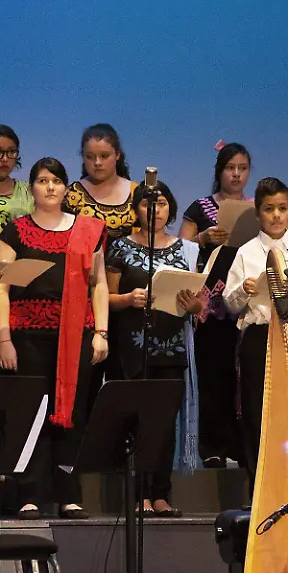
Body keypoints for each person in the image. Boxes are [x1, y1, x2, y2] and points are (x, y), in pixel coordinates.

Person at [0, 157, 109, 519]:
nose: (50, 187)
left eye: (57, 181)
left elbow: (99, 284)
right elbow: (0, 288)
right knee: (30, 414)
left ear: (65, 188)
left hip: (77, 335)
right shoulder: (15, 231)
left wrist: (101, 332)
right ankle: (28, 494)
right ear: (31, 188)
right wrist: (4, 339)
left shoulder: (88, 230)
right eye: (43, 180)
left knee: (72, 413)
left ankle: (69, 495)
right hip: (27, 337)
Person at [106, 181, 203, 516]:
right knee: (135, 421)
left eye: (161, 203)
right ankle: (138, 495)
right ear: (136, 210)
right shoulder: (120, 247)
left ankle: (161, 494)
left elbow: (199, 304)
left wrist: (192, 305)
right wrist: (127, 299)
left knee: (164, 424)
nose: (155, 210)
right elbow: (105, 298)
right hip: (132, 347)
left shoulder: (185, 249)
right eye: (148, 204)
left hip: (172, 346)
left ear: (170, 208)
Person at [179, 142, 252, 467]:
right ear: (219, 171)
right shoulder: (201, 207)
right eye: (230, 168)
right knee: (211, 370)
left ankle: (239, 442)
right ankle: (211, 445)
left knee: (240, 373)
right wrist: (204, 239)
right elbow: (179, 249)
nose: (236, 174)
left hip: (245, 298)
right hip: (208, 303)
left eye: (242, 168)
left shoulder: (255, 208)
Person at [222, 177, 288, 484]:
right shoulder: (246, 252)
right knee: (257, 411)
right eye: (269, 209)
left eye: (282, 208)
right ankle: (260, 486)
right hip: (258, 337)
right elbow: (229, 304)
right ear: (258, 213)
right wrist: (244, 290)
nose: (276, 215)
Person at [63, 123, 138, 239]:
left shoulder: (137, 193)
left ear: (117, 155)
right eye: (90, 157)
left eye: (104, 156)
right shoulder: (72, 195)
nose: (97, 162)